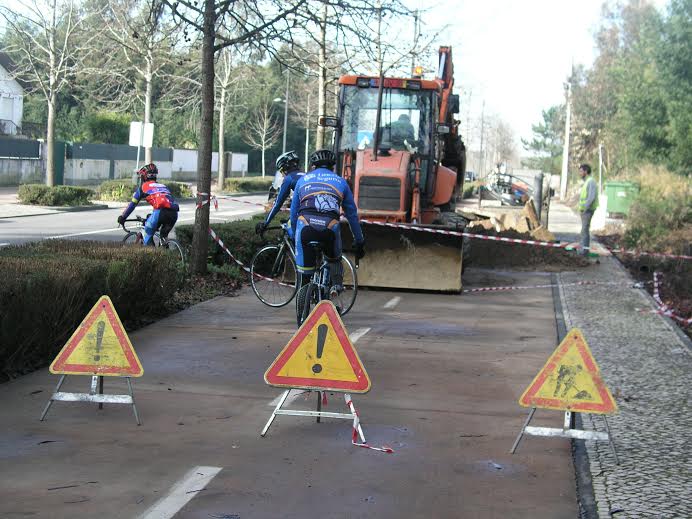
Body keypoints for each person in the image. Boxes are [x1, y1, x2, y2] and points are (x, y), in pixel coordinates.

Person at [290, 149, 365, 293]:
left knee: (304, 275)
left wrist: (294, 235)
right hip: (329, 229)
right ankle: (336, 285)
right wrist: (359, 241)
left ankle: (302, 307)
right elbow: (352, 216)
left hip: (305, 228)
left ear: (313, 166)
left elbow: (293, 214)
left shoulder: (302, 180)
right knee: (334, 258)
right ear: (333, 167)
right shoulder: (341, 182)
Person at [117, 163, 179, 245]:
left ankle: (153, 255)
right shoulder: (163, 186)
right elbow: (164, 201)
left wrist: (123, 217)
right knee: (163, 237)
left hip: (160, 213)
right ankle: (166, 252)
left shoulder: (142, 188)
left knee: (148, 234)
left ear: (144, 177)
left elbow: (132, 205)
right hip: (174, 213)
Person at [255, 151, 305, 235]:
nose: (282, 175)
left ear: (285, 168)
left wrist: (266, 223)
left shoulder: (289, 178)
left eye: (281, 171)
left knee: (292, 235)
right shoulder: (306, 174)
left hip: (305, 217)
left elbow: (278, 204)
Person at [578, 163, 599, 256]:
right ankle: (583, 250)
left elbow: (591, 197)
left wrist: (585, 209)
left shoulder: (591, 181)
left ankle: (584, 251)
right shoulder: (587, 181)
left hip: (588, 210)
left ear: (586, 171)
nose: (580, 173)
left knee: (584, 230)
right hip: (585, 210)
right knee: (584, 230)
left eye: (581, 171)